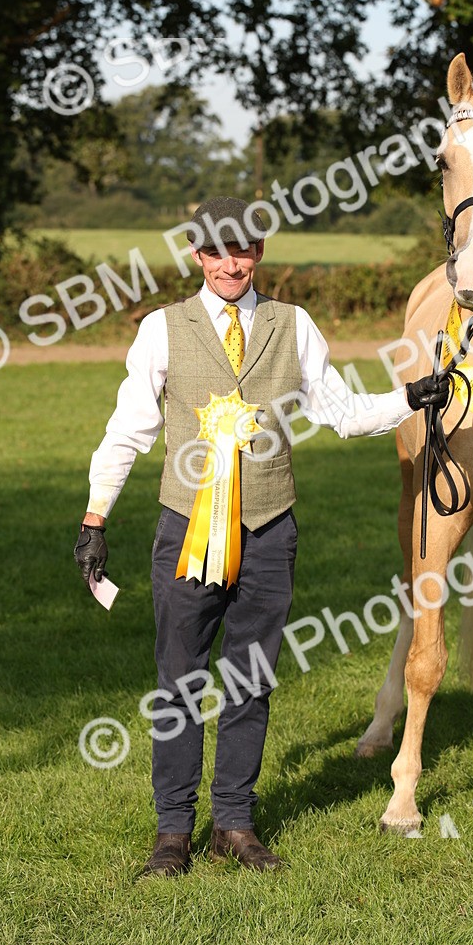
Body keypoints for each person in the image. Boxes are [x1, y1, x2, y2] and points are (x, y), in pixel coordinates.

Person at [74, 197, 446, 877]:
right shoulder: (162, 329)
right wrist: (95, 517)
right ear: (196, 255)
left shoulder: (293, 325)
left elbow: (342, 412)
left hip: (271, 531)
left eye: (242, 250)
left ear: (259, 253)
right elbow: (128, 429)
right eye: (216, 252)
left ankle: (234, 824)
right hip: (186, 531)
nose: (230, 264)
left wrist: (409, 398)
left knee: (251, 682)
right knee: (179, 684)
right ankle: (172, 833)